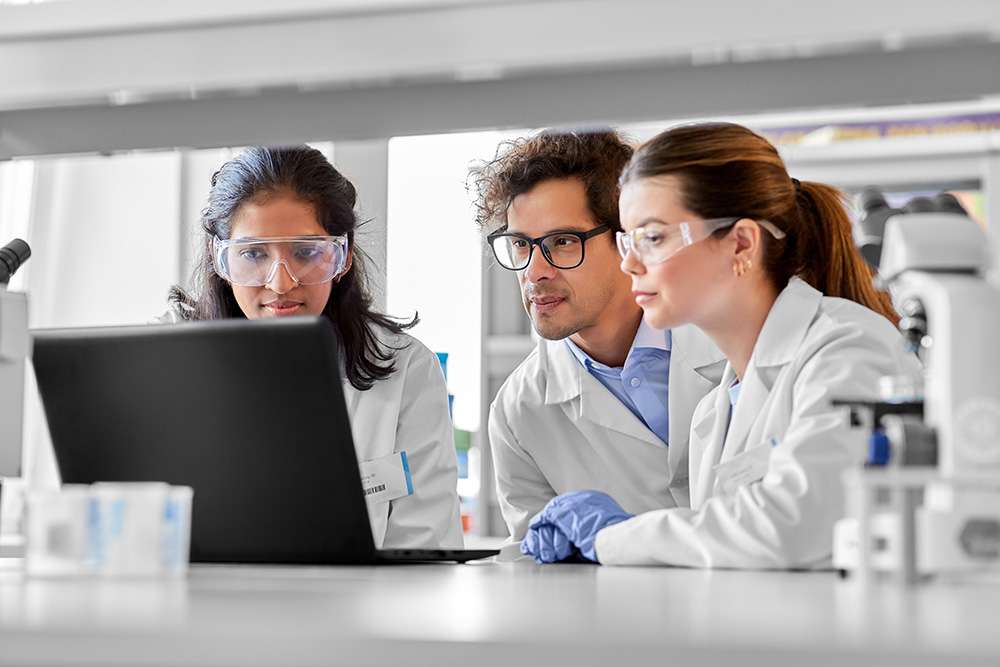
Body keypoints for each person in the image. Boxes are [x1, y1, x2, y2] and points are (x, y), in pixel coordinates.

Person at [520, 122, 922, 568]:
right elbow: (726, 552)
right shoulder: (714, 412)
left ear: (741, 244)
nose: (629, 264)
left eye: (652, 238)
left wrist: (613, 536)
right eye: (627, 241)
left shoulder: (849, 347)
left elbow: (792, 525)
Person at [164, 145, 463, 550]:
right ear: (221, 261)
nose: (280, 283)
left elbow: (426, 550)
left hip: (355, 609)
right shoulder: (168, 360)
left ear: (343, 256)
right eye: (253, 254)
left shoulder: (406, 370)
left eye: (306, 253)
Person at [469, 129, 726, 545]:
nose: (534, 271)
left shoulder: (731, 346)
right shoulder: (519, 413)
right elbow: (543, 578)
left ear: (629, 240)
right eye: (520, 244)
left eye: (563, 241)